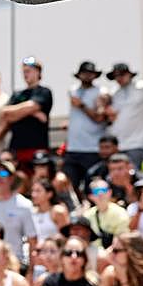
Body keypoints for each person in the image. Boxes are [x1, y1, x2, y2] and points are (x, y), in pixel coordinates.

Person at [0, 57, 54, 170]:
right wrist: (33, 112)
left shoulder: (44, 92)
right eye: (24, 71)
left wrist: (24, 110)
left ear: (38, 72)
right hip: (16, 149)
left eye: (28, 71)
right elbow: (5, 113)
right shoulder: (17, 94)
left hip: (37, 148)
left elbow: (32, 106)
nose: (25, 74)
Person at [104, 62, 143, 172]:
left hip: (137, 144)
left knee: (133, 175)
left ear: (130, 74)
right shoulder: (115, 93)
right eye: (116, 75)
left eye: (122, 74)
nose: (119, 78)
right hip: (117, 145)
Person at [63, 61, 108, 193]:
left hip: (92, 149)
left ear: (95, 75)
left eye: (90, 73)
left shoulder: (101, 92)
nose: (87, 76)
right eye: (84, 73)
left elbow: (99, 117)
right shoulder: (73, 90)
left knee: (92, 186)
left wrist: (82, 105)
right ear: (79, 75)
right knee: (70, 186)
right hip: (73, 148)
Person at [30, 236, 96, 286]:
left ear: (85, 259)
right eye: (68, 253)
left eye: (79, 254)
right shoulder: (51, 280)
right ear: (61, 257)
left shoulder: (91, 281)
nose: (73, 257)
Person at [84, 178, 129, 251]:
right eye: (96, 191)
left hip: (114, 253)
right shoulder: (86, 216)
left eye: (103, 190)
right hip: (91, 253)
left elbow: (121, 240)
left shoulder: (120, 213)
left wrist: (106, 254)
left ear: (110, 192)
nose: (100, 194)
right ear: (90, 196)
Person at [31, 178, 71, 244]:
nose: (33, 195)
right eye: (33, 191)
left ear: (49, 194)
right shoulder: (32, 212)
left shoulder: (58, 211)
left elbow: (66, 236)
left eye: (38, 191)